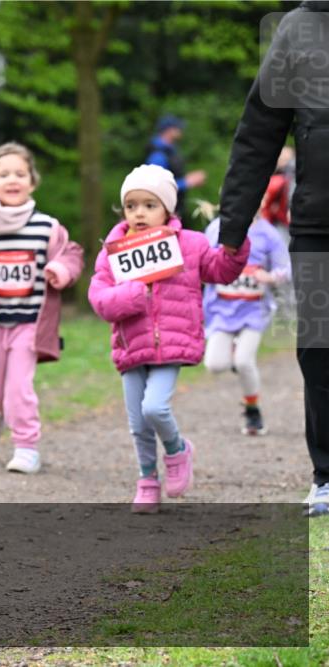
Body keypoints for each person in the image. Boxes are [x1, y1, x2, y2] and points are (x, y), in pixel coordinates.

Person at [216, 1, 329, 516]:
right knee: (319, 347)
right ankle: (327, 476)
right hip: (318, 221)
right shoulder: (298, 29)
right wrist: (233, 229)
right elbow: (258, 133)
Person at [89, 165, 249, 513]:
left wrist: (237, 244)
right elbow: (99, 298)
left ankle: (177, 451)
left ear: (168, 209)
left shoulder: (190, 245)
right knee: (138, 424)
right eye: (132, 206)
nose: (139, 213)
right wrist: (132, 295)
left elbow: (221, 270)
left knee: (155, 408)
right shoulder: (115, 250)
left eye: (149, 205)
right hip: (131, 346)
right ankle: (147, 480)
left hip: (172, 344)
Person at [0, 142, 83, 474]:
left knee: (19, 388)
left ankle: (26, 447)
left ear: (32, 182)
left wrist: (60, 271)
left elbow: (71, 253)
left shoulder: (47, 228)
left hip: (29, 324)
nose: (13, 179)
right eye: (5, 174)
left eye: (20, 174)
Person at [203, 206, 291, 436]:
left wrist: (271, 277)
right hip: (221, 310)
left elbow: (286, 268)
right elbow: (201, 260)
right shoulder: (216, 228)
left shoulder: (268, 233)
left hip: (254, 311)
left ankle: (253, 410)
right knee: (215, 365)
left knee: (244, 362)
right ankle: (233, 351)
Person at [145, 114, 207, 222]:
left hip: (174, 210)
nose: (180, 130)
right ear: (169, 130)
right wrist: (187, 182)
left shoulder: (170, 151)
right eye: (177, 128)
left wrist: (188, 179)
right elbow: (156, 186)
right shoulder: (158, 155)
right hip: (164, 215)